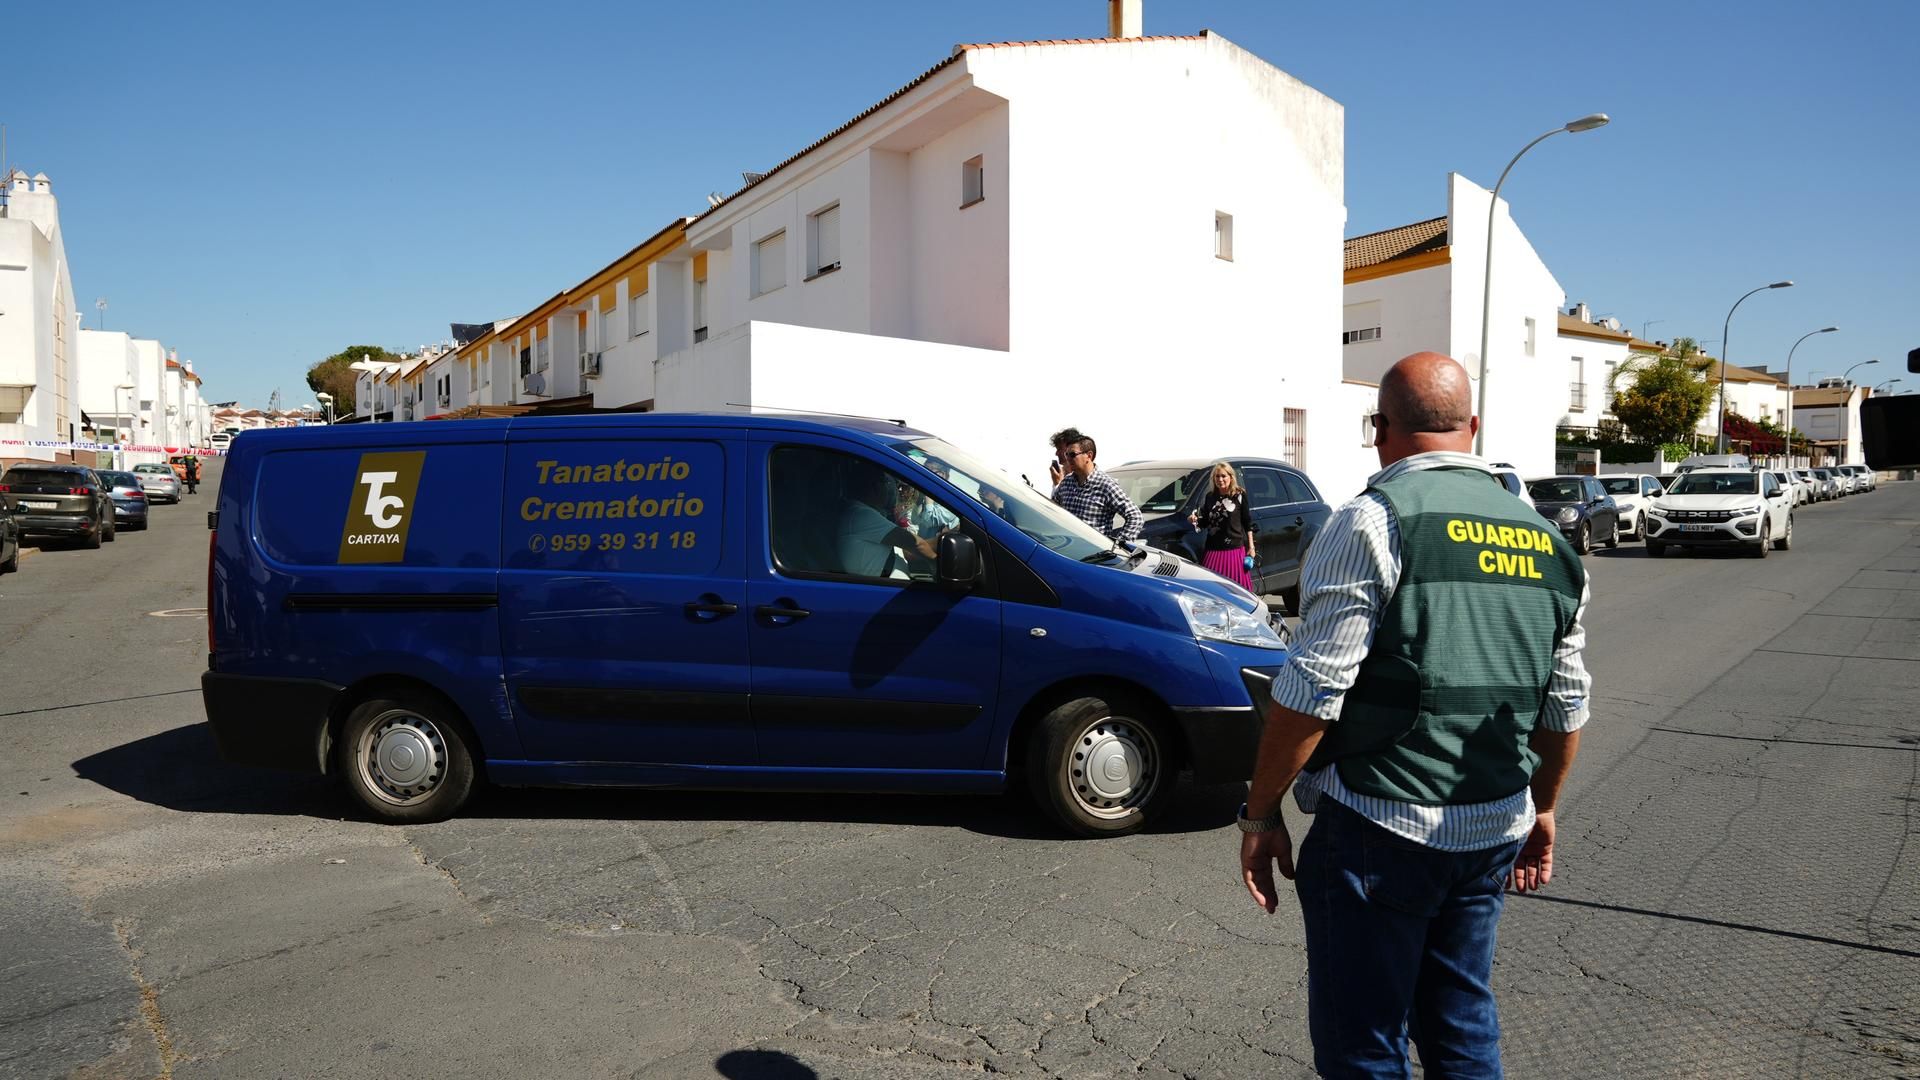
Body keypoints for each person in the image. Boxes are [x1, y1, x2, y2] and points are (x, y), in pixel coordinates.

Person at [1235, 351, 1591, 1079]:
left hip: (1378, 825)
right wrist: (1543, 809)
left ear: (1380, 429)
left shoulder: (1371, 521)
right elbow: (1566, 702)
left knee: (1365, 1042)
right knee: (1461, 1022)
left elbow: (1312, 691)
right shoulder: (1548, 539)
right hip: (1493, 824)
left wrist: (1260, 815)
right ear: (1474, 427)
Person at [837, 463, 938, 578]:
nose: (890, 488)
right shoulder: (861, 515)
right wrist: (935, 561)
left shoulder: (858, 513)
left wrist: (938, 542)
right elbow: (914, 543)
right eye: (886, 482)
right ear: (875, 487)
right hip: (890, 591)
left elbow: (907, 548)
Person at [1050, 434, 1143, 542]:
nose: (1068, 459)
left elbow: (1135, 517)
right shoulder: (1066, 482)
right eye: (1066, 454)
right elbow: (1053, 510)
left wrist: (1119, 547)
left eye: (1072, 454)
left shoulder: (1106, 485)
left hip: (1093, 555)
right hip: (1065, 550)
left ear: (1089, 456)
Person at [1188, 461, 1256, 588]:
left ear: (1231, 477)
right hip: (1213, 549)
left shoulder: (1239, 495)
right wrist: (1195, 520)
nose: (1220, 479)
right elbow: (1206, 522)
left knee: (1237, 589)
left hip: (1234, 550)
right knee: (1210, 589)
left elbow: (1247, 522)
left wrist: (1251, 547)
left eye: (1223, 476)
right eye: (1217, 476)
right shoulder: (1210, 497)